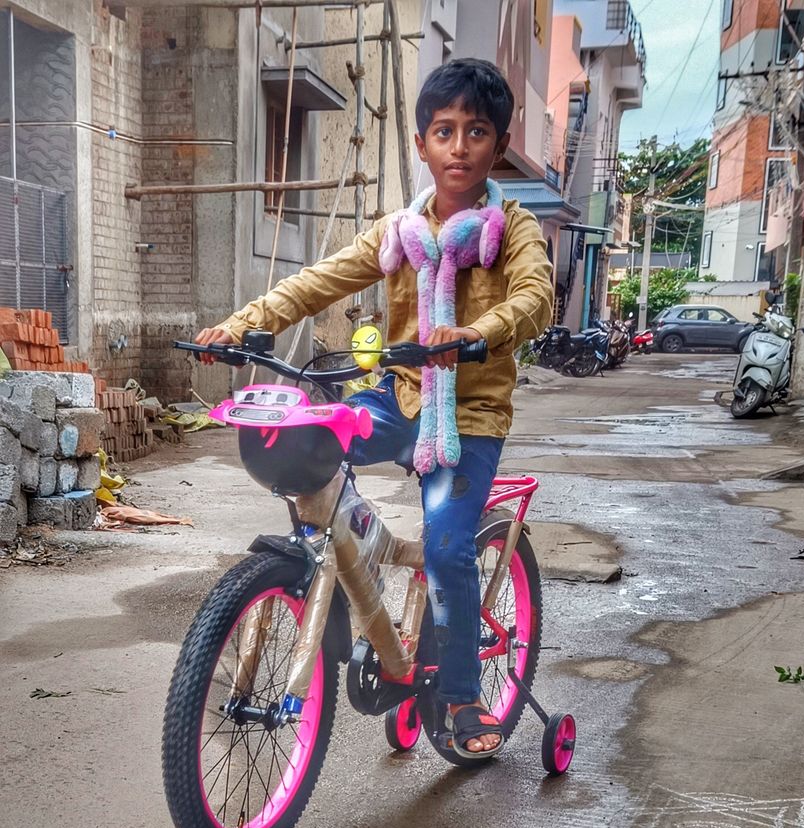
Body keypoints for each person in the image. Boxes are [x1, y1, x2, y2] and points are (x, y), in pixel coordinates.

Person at [195, 58, 554, 757]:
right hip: (396, 395)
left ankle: (460, 696)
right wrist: (240, 326)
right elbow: (318, 280)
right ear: (421, 144)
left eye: (475, 132)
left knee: (449, 544)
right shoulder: (399, 235)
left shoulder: (514, 229)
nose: (458, 146)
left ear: (498, 146)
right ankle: (343, 567)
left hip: (469, 417)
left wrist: (475, 334)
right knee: (308, 442)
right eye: (443, 131)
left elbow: (535, 296)